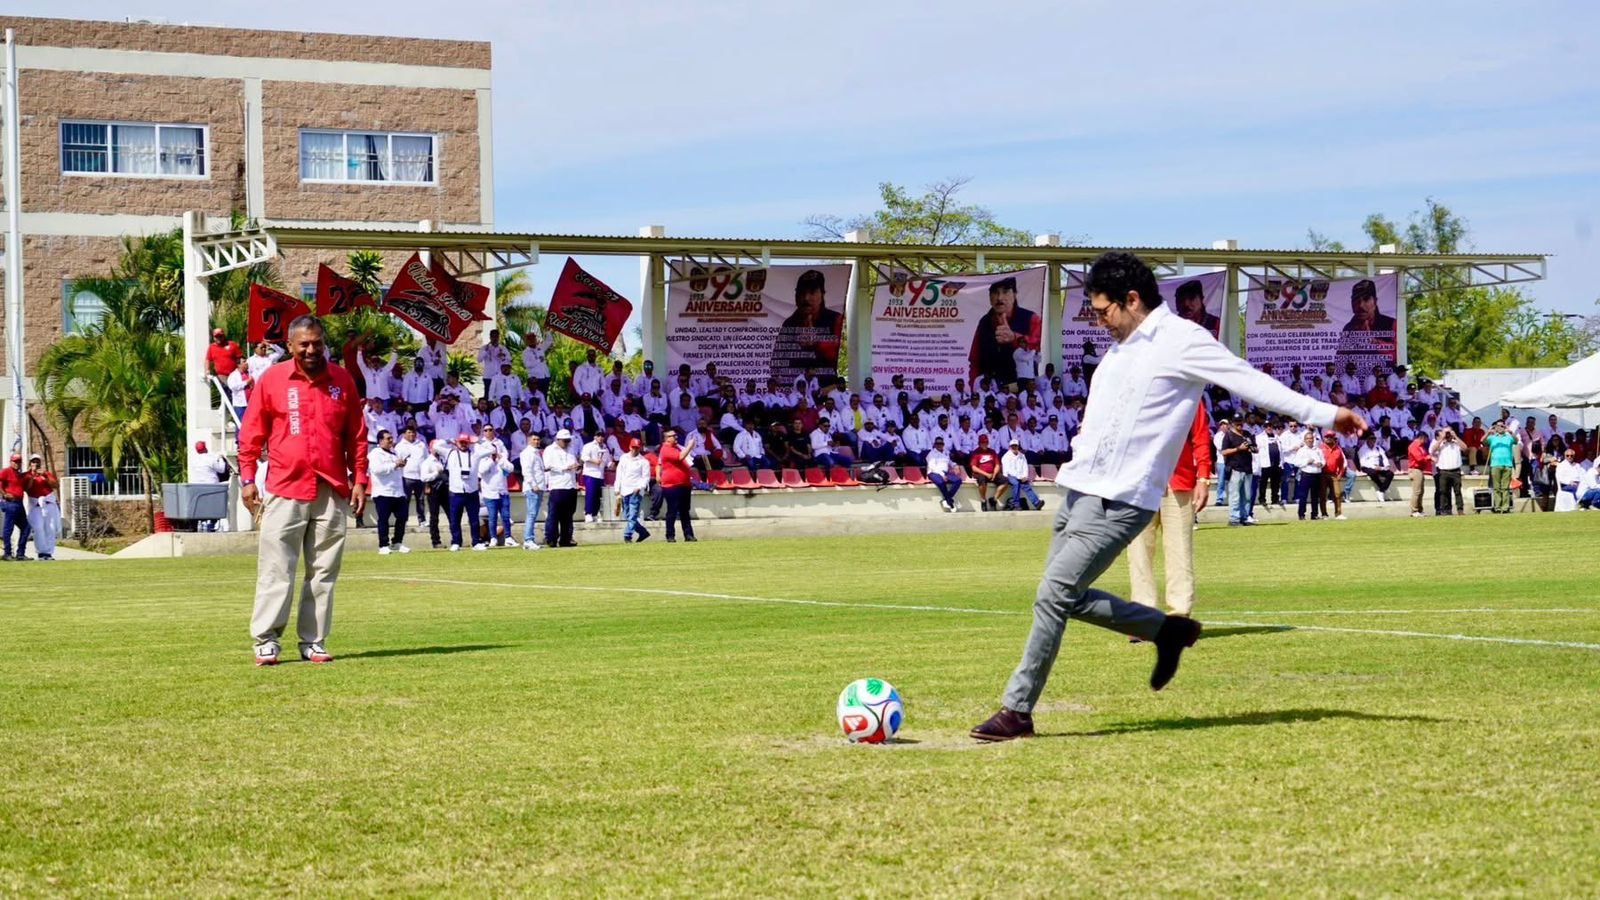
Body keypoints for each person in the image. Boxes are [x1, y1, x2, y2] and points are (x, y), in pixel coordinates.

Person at [970, 252, 1366, 742]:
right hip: (1079, 489)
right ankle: (1167, 631)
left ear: (1132, 300)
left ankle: (1018, 710)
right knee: (1061, 596)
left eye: (1103, 311)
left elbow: (1250, 381)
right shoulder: (1119, 348)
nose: (1099, 322)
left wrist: (1327, 414)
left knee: (1053, 594)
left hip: (1124, 498)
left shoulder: (1183, 340)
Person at [237, 315, 368, 667]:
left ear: (324, 343)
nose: (311, 350)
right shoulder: (273, 379)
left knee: (324, 570)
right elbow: (251, 433)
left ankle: (313, 640)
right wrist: (248, 478)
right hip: (285, 486)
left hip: (331, 488)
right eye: (304, 344)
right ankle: (266, 640)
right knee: (276, 567)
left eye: (317, 343)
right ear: (291, 346)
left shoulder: (341, 380)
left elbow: (356, 434)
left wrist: (360, 479)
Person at [1127, 404, 1211, 624]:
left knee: (1180, 551)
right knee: (1138, 552)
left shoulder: (1189, 391)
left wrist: (1203, 477)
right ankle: (1142, 619)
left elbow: (1200, 436)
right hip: (1138, 483)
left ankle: (1179, 617)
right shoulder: (1134, 390)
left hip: (1179, 482)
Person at [969, 276, 1041, 388]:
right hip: (991, 391)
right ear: (989, 297)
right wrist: (974, 387)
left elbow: (1038, 346)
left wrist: (1014, 338)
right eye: (995, 292)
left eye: (1005, 292)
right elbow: (975, 361)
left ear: (1015, 294)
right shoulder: (984, 322)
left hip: (1022, 388)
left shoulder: (1031, 318)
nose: (999, 298)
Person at [773, 269, 843, 383]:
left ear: (822, 294)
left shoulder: (835, 319)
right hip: (795, 391)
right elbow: (776, 362)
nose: (806, 298)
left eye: (812, 292)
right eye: (801, 292)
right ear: (795, 296)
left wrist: (817, 342)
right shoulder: (789, 324)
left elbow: (838, 352)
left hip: (826, 388)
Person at [367, 429, 410, 555]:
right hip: (383, 492)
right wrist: (394, 465)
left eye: (391, 438)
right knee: (384, 519)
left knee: (403, 517)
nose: (391, 441)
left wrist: (401, 464)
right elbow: (376, 470)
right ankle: (383, 545)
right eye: (388, 438)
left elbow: (396, 468)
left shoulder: (394, 452)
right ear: (380, 441)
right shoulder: (375, 453)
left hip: (397, 491)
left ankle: (397, 542)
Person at [443, 433, 486, 551]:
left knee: (474, 519)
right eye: (461, 442)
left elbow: (491, 449)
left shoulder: (475, 454)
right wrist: (449, 440)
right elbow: (436, 446)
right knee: (455, 519)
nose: (463, 444)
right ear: (457, 442)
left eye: (465, 442)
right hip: (456, 491)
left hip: (471, 491)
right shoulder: (451, 453)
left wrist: (478, 441)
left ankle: (476, 542)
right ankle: (456, 542)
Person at [543, 428, 582, 548]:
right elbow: (547, 466)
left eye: (568, 440)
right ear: (558, 440)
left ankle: (566, 538)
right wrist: (565, 467)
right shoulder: (550, 450)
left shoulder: (570, 449)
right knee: (554, 514)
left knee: (568, 515)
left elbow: (574, 465)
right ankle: (551, 539)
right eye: (564, 441)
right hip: (557, 485)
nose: (566, 443)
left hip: (570, 484)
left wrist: (577, 467)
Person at [658, 428, 698, 542]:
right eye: (672, 436)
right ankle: (670, 535)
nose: (675, 437)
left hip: (684, 484)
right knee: (672, 511)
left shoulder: (677, 448)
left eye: (675, 435)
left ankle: (688, 534)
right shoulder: (665, 449)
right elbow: (680, 457)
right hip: (672, 485)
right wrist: (690, 446)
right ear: (666, 439)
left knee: (685, 511)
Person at [22, 455, 61, 561]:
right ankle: (41, 552)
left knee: (51, 529)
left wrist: (45, 476)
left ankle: (48, 552)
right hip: (35, 505)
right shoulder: (26, 475)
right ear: (30, 463)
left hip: (49, 503)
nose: (36, 464)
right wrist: (32, 477)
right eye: (33, 462)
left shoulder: (46, 473)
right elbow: (26, 489)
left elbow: (55, 485)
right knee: (38, 528)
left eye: (37, 462)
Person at [478, 437, 515, 545]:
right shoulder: (483, 461)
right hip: (490, 494)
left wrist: (501, 460)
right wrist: (492, 460)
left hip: (503, 492)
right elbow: (482, 471)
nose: (494, 452)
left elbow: (511, 468)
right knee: (492, 518)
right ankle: (493, 538)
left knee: (506, 516)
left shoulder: (502, 459)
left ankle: (508, 538)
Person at [616, 439, 653, 544]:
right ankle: (643, 532)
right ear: (630, 447)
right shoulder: (623, 458)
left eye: (637, 448)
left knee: (632, 515)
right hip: (624, 489)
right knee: (627, 514)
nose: (635, 450)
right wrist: (617, 488)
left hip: (636, 491)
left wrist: (640, 486)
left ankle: (627, 535)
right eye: (633, 447)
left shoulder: (643, 462)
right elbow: (619, 474)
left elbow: (646, 477)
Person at [1220, 417, 1255, 526]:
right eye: (1236, 423)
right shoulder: (1229, 435)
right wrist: (1238, 449)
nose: (1239, 424)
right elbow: (1224, 452)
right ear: (1233, 424)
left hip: (1247, 467)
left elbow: (1255, 447)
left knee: (1247, 496)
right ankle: (1234, 519)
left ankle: (1244, 517)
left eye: (1240, 422)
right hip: (1235, 468)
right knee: (1235, 495)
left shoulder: (1247, 434)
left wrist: (1253, 448)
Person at [519, 433, 547, 549]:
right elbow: (527, 471)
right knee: (531, 514)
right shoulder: (527, 453)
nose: (536, 441)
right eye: (534, 439)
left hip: (539, 487)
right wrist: (534, 485)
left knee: (533, 514)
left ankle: (529, 539)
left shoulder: (536, 452)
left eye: (538, 439)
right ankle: (528, 539)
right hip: (533, 488)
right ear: (529, 440)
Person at [1485, 420, 1519, 514]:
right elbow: (1483, 441)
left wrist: (1510, 431)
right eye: (1498, 426)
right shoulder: (1492, 437)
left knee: (1505, 487)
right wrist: (1488, 432)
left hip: (1507, 464)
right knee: (1496, 488)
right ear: (1495, 427)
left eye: (1502, 426)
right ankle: (1498, 507)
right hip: (1495, 465)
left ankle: (1505, 507)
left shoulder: (1509, 437)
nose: (1500, 428)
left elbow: (1516, 441)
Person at [1290, 430, 1326, 520]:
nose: (1310, 440)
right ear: (1305, 440)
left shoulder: (1318, 450)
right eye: (1308, 439)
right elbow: (1296, 463)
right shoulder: (1302, 450)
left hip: (1316, 475)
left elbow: (1323, 460)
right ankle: (1301, 514)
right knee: (1303, 496)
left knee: (1315, 497)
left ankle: (1314, 514)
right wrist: (1307, 462)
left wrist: (1321, 464)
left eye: (1311, 438)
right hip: (1306, 475)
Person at [1001, 438, 1044, 510]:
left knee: (1026, 485)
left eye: (1016, 446)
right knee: (1016, 483)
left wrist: (1025, 476)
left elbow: (1025, 467)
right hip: (1009, 475)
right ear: (1010, 447)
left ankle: (1037, 503)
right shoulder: (1006, 457)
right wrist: (1020, 477)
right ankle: (1016, 504)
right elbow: (1009, 470)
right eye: (1012, 446)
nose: (1014, 447)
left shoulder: (1022, 456)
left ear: (1018, 446)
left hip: (1020, 476)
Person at [968, 434, 1008, 511]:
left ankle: (994, 499)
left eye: (986, 442)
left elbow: (997, 465)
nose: (984, 444)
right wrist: (986, 474)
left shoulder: (992, 452)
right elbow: (974, 468)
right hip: (981, 473)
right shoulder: (976, 453)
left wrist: (994, 474)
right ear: (979, 443)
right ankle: (983, 500)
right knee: (982, 480)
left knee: (1005, 481)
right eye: (982, 442)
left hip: (992, 473)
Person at [580, 432, 612, 524]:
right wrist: (594, 461)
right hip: (590, 473)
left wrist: (611, 464)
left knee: (598, 496)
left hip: (600, 474)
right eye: (598, 436)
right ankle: (588, 513)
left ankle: (594, 513)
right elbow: (584, 457)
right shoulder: (588, 446)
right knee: (590, 494)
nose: (601, 438)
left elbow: (607, 461)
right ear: (595, 437)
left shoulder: (605, 448)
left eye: (602, 436)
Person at [1431, 428, 1465, 515]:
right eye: (1446, 432)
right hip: (1444, 471)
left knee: (1457, 491)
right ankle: (1444, 510)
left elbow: (1465, 448)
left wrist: (1455, 436)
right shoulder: (1441, 444)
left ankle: (1460, 510)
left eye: (1449, 432)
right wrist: (1442, 438)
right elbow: (1433, 450)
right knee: (1443, 492)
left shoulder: (1456, 443)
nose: (1448, 434)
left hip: (1456, 471)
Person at [925, 437, 963, 512]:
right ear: (934, 445)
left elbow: (949, 462)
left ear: (943, 444)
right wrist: (942, 475)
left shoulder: (946, 452)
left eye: (941, 443)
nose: (939, 445)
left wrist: (955, 465)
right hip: (934, 473)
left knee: (958, 480)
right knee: (941, 482)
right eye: (937, 443)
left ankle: (946, 499)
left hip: (945, 472)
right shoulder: (931, 454)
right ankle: (950, 502)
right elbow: (932, 467)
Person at [1356, 433, 1395, 502]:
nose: (1373, 441)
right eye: (1371, 439)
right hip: (1367, 467)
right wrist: (1374, 467)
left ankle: (1381, 491)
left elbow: (1384, 457)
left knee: (1390, 474)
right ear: (1367, 440)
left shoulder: (1378, 448)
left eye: (1374, 439)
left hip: (1379, 467)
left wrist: (1387, 465)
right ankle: (1382, 487)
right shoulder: (1362, 449)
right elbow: (1363, 463)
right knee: (1373, 473)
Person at [1319, 432, 1348, 520]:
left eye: (1331, 437)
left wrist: (1340, 474)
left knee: (1337, 494)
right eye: (1327, 436)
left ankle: (1338, 513)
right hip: (1322, 475)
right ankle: (1324, 514)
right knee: (1323, 495)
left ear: (1334, 438)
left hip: (1333, 475)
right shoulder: (1320, 448)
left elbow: (1342, 463)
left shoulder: (1338, 449)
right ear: (1324, 438)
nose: (1329, 438)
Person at [1407, 432, 1434, 518]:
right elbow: (1419, 458)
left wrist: (1427, 457)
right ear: (1421, 438)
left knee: (1421, 491)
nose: (1426, 441)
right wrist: (1428, 458)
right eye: (1425, 439)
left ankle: (1419, 509)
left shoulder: (1421, 447)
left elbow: (1425, 455)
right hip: (1415, 470)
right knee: (1417, 491)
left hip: (1420, 470)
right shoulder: (1414, 446)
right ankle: (1414, 510)